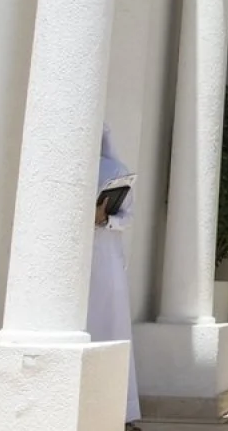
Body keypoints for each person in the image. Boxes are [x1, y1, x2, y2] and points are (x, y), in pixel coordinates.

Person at [88, 123, 141, 431]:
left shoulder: (116, 170)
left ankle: (121, 410)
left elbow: (127, 217)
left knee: (113, 328)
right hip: (80, 265)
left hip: (107, 263)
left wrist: (105, 217)